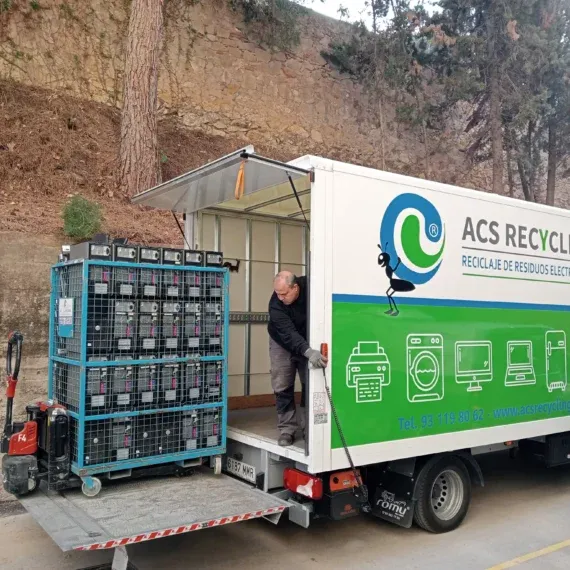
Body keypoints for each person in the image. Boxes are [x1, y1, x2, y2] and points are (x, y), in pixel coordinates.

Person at [267, 271, 328, 447]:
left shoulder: (312, 287)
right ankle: (287, 429)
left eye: (284, 294)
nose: (280, 298)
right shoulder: (276, 305)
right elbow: (288, 334)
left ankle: (309, 428)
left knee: (310, 383)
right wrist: (308, 352)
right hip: (281, 341)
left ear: (295, 287)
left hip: (308, 338)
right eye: (277, 293)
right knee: (282, 383)